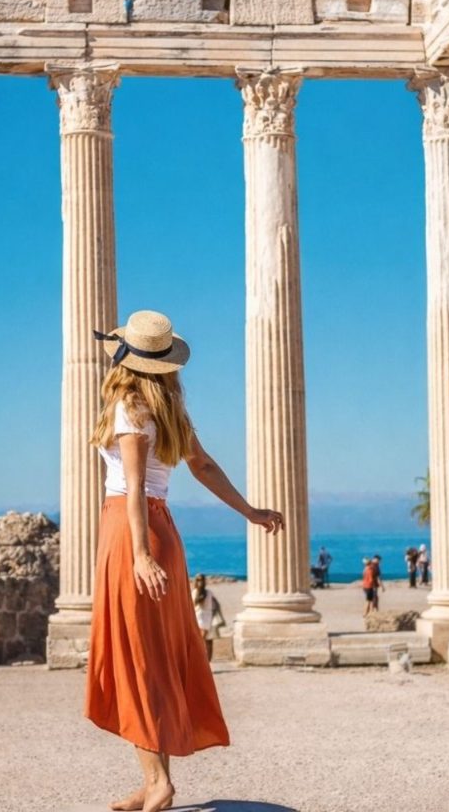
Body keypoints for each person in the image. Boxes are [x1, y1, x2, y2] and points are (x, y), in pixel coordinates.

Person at [85, 310, 285, 812]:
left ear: (126, 359)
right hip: (162, 529)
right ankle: (155, 781)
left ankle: (157, 782)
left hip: (131, 531)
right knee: (155, 657)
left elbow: (131, 489)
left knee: (136, 659)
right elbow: (204, 466)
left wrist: (139, 555)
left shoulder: (129, 410)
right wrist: (251, 511)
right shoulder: (170, 409)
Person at [191, 573, 223, 661]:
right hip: (206, 617)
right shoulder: (208, 593)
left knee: (202, 640)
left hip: (201, 617)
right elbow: (216, 604)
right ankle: (206, 661)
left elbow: (192, 606)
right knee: (206, 641)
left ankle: (203, 661)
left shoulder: (195, 592)